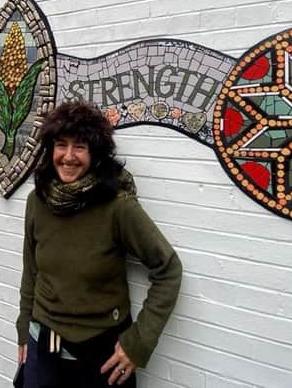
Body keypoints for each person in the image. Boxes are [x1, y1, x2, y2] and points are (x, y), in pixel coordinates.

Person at [16, 101, 182, 387]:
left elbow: (168, 270)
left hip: (100, 358)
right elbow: (31, 269)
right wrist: (23, 329)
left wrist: (138, 342)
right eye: (61, 145)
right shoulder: (37, 201)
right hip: (42, 348)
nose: (68, 156)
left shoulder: (117, 206)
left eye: (80, 146)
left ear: (95, 153)